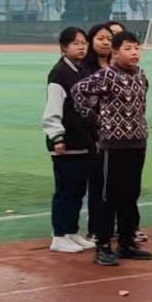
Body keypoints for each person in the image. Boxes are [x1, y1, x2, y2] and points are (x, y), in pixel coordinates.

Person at [71, 30, 152, 265]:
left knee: (131, 194)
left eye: (137, 48)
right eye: (128, 48)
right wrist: (96, 119)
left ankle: (127, 241)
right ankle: (104, 244)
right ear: (115, 52)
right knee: (109, 195)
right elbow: (78, 91)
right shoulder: (106, 75)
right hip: (113, 145)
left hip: (137, 142)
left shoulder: (141, 75)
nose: (134, 53)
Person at [43, 26, 99, 254]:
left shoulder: (82, 70)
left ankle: (71, 231)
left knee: (78, 190)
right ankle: (58, 235)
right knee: (65, 190)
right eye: (76, 43)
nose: (81, 47)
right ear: (64, 47)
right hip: (66, 143)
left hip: (83, 142)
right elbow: (53, 108)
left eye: (84, 43)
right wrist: (57, 136)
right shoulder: (59, 74)